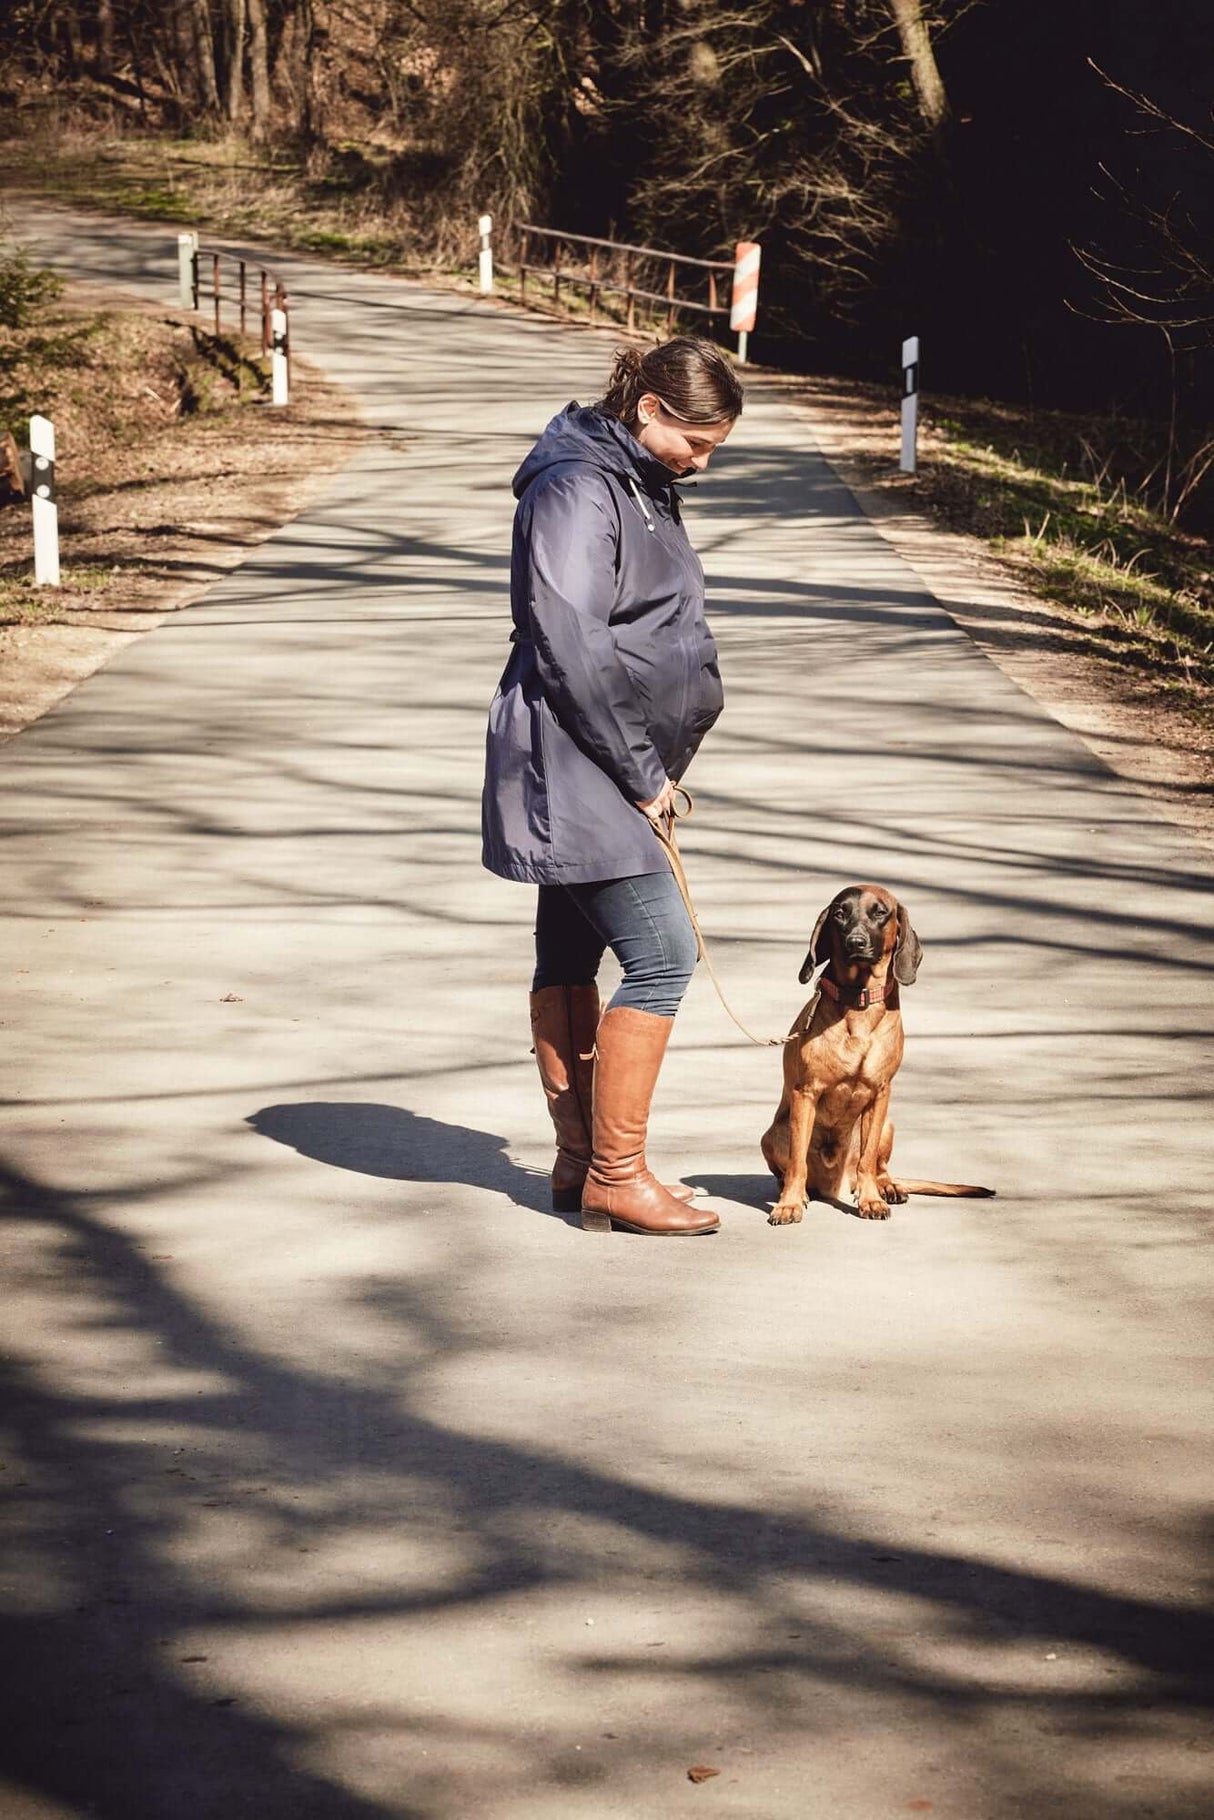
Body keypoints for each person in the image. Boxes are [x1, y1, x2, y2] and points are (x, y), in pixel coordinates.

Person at [482, 336, 743, 1235]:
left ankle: (576, 1160)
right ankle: (616, 1173)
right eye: (698, 442)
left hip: (605, 757)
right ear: (650, 411)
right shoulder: (576, 485)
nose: (704, 462)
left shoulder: (637, 479)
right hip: (579, 759)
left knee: (568, 956)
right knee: (663, 957)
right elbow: (572, 640)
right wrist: (641, 773)